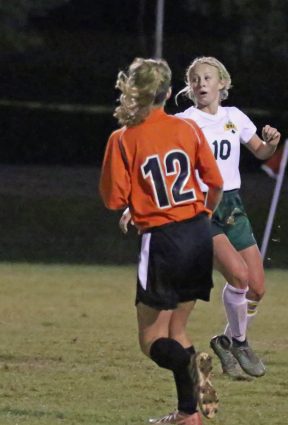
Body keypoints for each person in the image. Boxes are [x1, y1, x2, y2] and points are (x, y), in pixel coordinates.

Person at [100, 58, 223, 424]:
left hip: (164, 242)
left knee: (151, 340)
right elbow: (213, 184)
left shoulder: (122, 138)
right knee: (177, 329)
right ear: (169, 92)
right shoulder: (187, 128)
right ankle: (189, 416)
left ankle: (191, 366)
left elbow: (112, 199)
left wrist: (136, 207)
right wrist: (203, 217)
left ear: (133, 91)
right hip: (199, 232)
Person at [175, 57, 280, 379]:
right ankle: (241, 342)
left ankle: (225, 340)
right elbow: (161, 161)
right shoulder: (183, 121)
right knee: (238, 276)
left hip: (232, 205)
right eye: (195, 80)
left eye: (207, 78)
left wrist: (271, 144)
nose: (201, 84)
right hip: (201, 207)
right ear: (190, 88)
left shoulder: (234, 117)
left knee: (257, 288)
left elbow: (260, 151)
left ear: (222, 83)